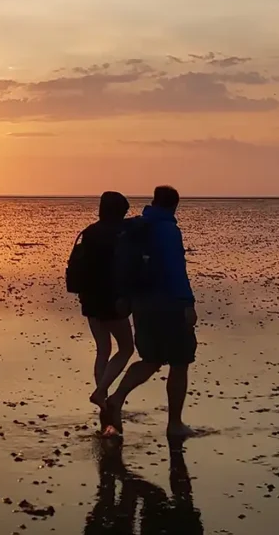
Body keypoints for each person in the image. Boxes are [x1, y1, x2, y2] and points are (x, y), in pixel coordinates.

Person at [103, 185, 198, 438]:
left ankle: (116, 397)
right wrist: (188, 304)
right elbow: (177, 271)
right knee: (179, 363)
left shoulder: (137, 227)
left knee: (151, 359)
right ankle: (174, 424)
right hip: (169, 303)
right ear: (174, 206)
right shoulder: (168, 231)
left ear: (153, 202)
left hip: (141, 304)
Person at [77, 191, 134, 410]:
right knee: (127, 348)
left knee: (103, 349)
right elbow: (124, 268)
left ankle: (102, 399)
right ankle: (101, 392)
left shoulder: (90, 232)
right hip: (111, 301)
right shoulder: (121, 234)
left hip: (89, 299)